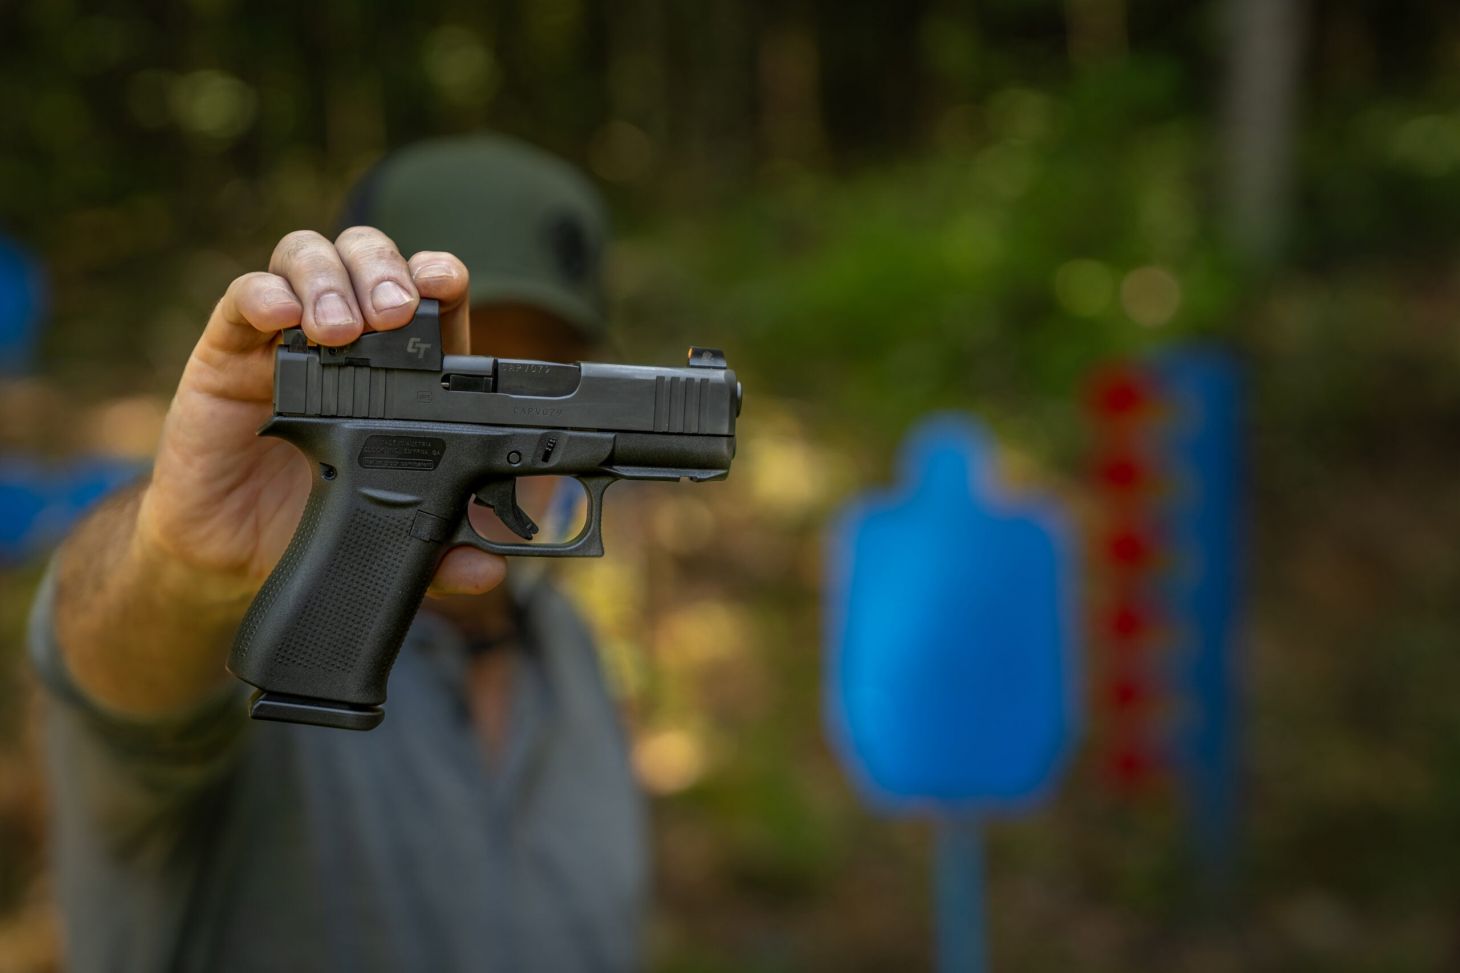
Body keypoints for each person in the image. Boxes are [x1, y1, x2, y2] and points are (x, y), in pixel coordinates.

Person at [29, 135, 648, 972]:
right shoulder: (246, 644)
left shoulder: (566, 651)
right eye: (467, 364)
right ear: (345, 350)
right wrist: (178, 566)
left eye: (546, 366)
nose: (498, 414)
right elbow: (115, 676)